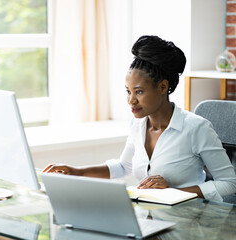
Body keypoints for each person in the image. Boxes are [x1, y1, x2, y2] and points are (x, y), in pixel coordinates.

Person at [43, 35, 236, 202]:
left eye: (139, 92)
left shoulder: (196, 128)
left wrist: (173, 193)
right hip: (150, 218)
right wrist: (77, 172)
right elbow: (123, 166)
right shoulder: (137, 125)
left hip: (189, 222)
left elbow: (229, 183)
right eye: (128, 91)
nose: (131, 100)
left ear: (162, 87)